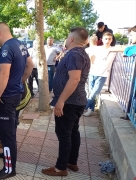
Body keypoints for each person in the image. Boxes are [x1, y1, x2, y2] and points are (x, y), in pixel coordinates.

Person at [42, 27, 90, 176]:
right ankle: (71, 161)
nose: (65, 39)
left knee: (64, 134)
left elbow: (74, 79)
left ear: (71, 39)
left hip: (69, 102)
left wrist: (60, 101)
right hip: (76, 101)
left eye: (67, 36)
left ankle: (60, 167)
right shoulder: (80, 54)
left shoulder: (74, 55)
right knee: (72, 132)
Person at [0, 22, 33, 179]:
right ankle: (9, 156)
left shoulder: (6, 48)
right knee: (11, 130)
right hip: (15, 94)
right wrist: (21, 81)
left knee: (7, 134)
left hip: (7, 98)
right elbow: (30, 65)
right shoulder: (19, 44)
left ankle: (9, 169)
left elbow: (4, 75)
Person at [84, 32, 116, 117]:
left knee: (93, 94)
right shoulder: (97, 48)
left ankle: (82, 108)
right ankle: (90, 110)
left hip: (102, 75)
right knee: (91, 93)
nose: (108, 41)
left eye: (109, 39)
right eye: (106, 39)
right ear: (102, 39)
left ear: (112, 40)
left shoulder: (113, 49)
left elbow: (124, 49)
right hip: (92, 73)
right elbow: (85, 51)